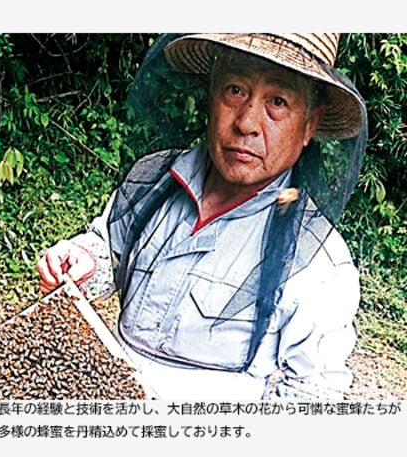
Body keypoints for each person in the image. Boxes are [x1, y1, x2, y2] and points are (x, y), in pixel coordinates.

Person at [36, 33, 368, 400]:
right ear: (212, 94)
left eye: (277, 101)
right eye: (235, 90)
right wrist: (83, 260)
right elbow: (110, 249)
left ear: (309, 124)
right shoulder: (154, 180)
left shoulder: (321, 263)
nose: (246, 123)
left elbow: (312, 396)